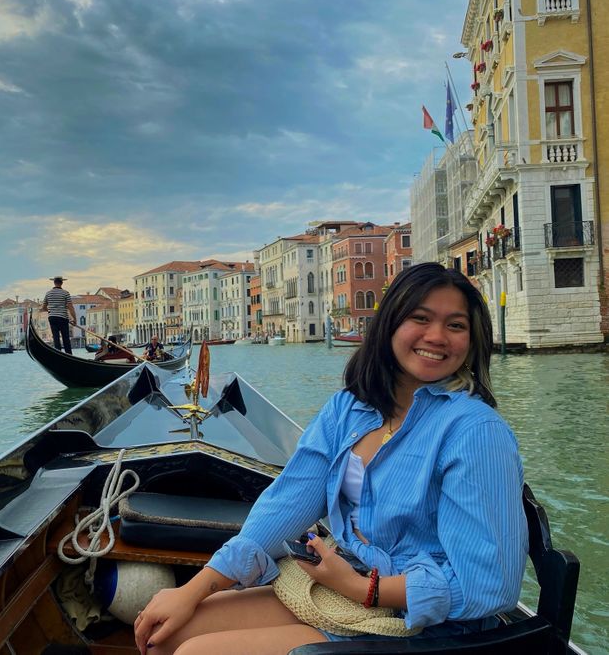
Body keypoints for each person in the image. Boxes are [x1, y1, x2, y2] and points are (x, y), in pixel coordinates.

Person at [133, 263, 528, 655]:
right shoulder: (350, 409)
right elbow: (286, 505)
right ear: (390, 324)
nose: (437, 336)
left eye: (455, 325)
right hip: (344, 592)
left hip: (434, 628)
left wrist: (363, 588)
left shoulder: (476, 432)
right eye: (420, 318)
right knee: (163, 639)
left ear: (472, 339)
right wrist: (193, 588)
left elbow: (489, 585)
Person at [41, 276, 76, 354]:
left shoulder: (48, 293)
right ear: (62, 283)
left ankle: (58, 353)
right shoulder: (65, 293)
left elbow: (43, 307)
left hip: (52, 318)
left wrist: (50, 311)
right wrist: (74, 319)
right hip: (63, 318)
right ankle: (69, 355)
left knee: (56, 338)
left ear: (54, 282)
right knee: (65, 338)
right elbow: (71, 307)